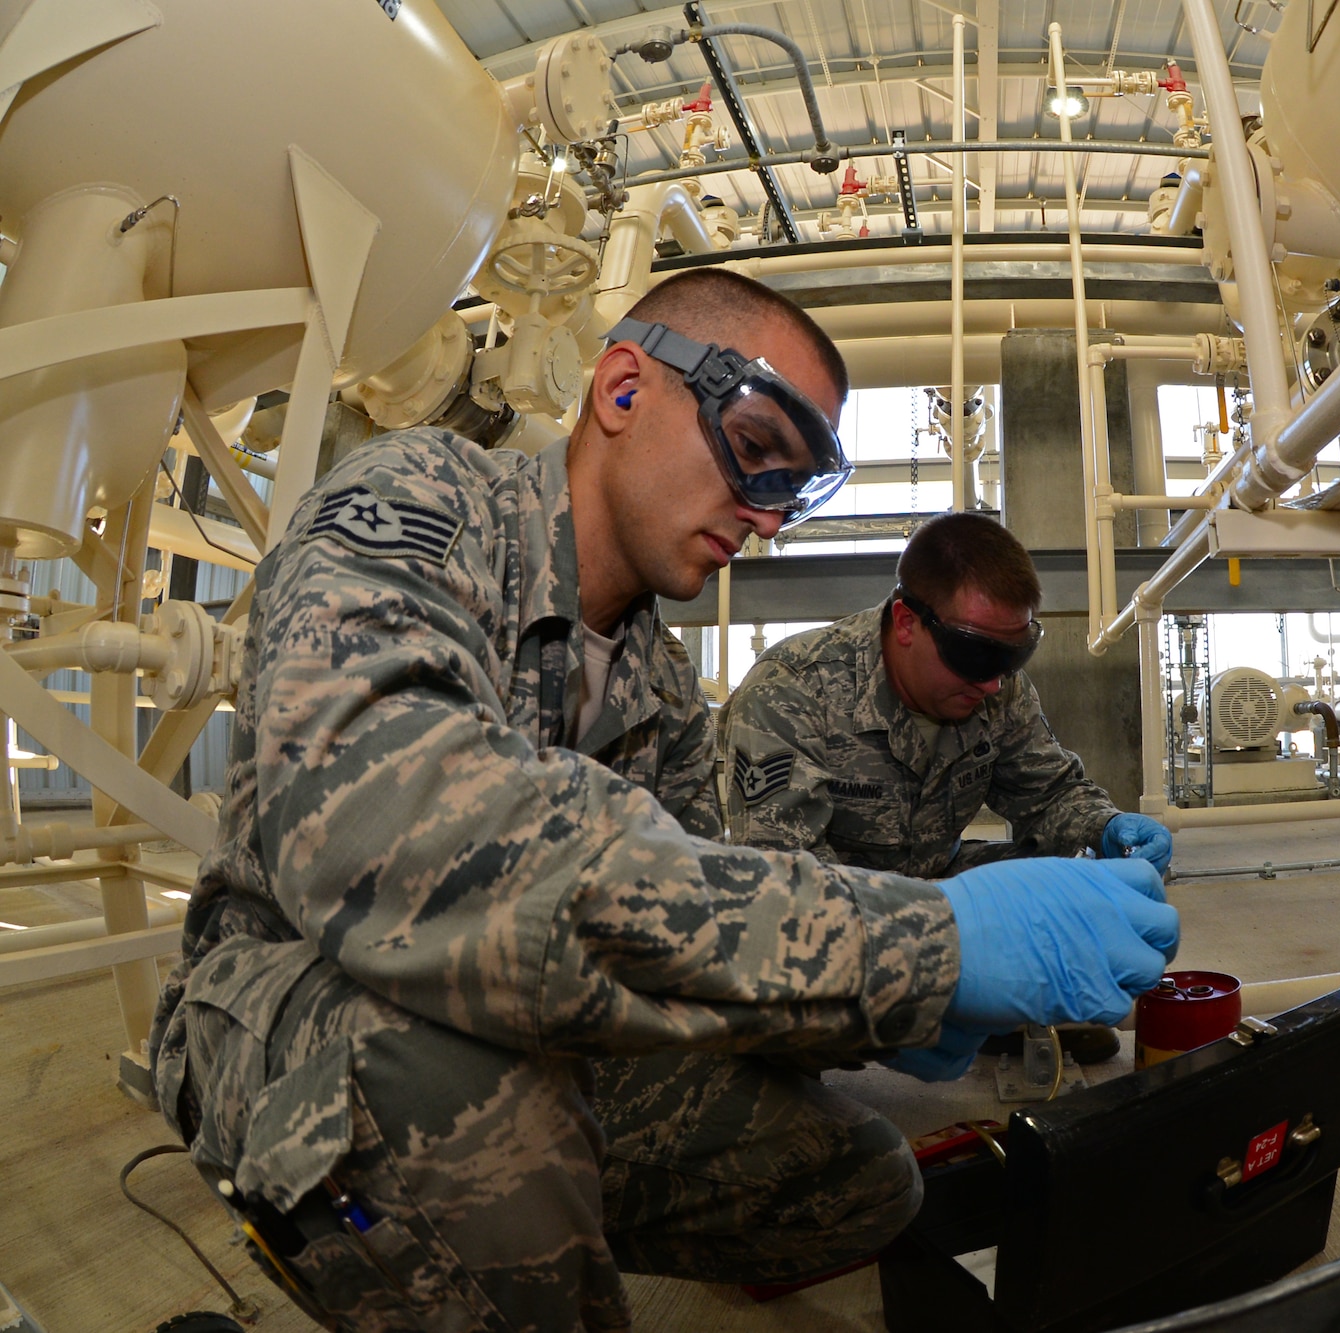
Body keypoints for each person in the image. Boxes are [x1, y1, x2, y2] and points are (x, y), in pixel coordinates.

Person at [147, 269, 1178, 1332]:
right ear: (625, 389)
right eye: (755, 446)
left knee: (859, 1181)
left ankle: (500, 1238)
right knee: (488, 1115)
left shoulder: (662, 689)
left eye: (792, 488)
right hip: (300, 996)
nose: (765, 517)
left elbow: (693, 938)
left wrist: (884, 1016)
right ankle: (460, 1226)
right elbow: (395, 843)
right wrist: (925, 946)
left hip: (536, 1030)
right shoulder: (420, 501)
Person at [719, 511, 1174, 880]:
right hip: (836, 911)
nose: (992, 684)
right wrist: (949, 918)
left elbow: (1048, 794)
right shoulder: (790, 690)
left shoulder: (996, 687)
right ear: (906, 623)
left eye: (1011, 657)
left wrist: (1104, 825)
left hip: (939, 880)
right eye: (974, 655)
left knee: (1084, 879)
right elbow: (782, 877)